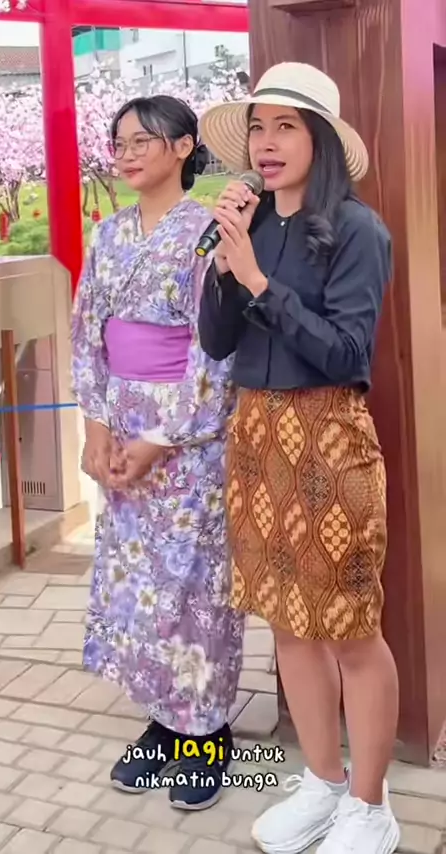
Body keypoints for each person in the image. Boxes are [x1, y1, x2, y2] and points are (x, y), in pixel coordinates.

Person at [198, 63, 400, 853]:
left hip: (329, 438)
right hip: (255, 440)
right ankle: (322, 783)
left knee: (349, 626)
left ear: (320, 138)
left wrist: (258, 281)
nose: (267, 142)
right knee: (287, 621)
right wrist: (227, 271)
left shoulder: (357, 229)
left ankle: (371, 805)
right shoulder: (249, 226)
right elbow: (218, 342)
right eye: (258, 126)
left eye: (286, 126)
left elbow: (346, 351)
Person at [71, 94, 244, 812]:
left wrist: (159, 438)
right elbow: (88, 331)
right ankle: (162, 719)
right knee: (138, 586)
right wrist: (95, 428)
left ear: (183, 147)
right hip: (120, 432)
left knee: (193, 589)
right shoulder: (108, 235)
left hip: (185, 442)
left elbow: (216, 350)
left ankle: (205, 732)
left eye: (143, 139)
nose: (127, 152)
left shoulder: (208, 234)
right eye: (119, 142)